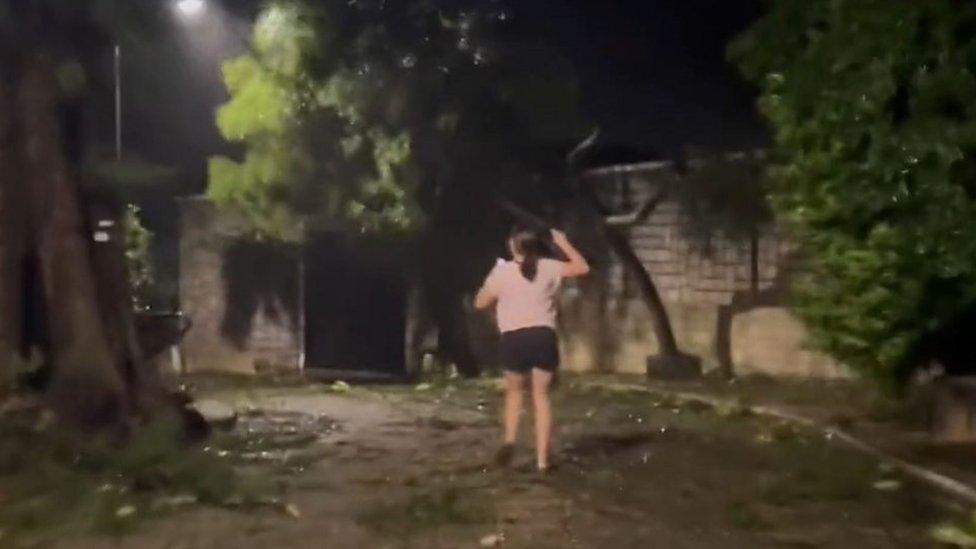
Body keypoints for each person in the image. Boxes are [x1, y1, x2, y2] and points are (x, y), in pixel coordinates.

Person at [474, 225, 590, 472]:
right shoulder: (549, 267)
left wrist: (491, 278)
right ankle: (542, 461)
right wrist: (564, 242)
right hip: (542, 337)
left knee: (514, 394)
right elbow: (583, 267)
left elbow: (480, 303)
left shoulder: (502, 272)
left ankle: (509, 441)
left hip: (513, 339)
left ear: (514, 246)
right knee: (541, 398)